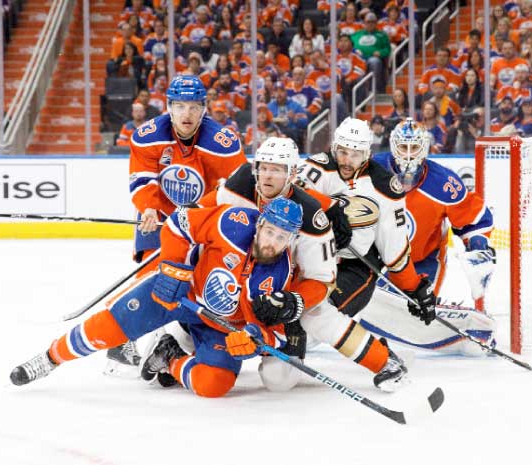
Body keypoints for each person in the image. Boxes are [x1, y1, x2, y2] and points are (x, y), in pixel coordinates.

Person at [9, 199, 306, 399]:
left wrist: (253, 339)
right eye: (269, 232)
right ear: (260, 224)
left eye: (282, 237)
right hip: (179, 294)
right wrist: (174, 268)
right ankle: (50, 358)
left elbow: (275, 334)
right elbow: (180, 223)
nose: (272, 242)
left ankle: (171, 357)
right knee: (110, 327)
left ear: (291, 240)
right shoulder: (233, 220)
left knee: (214, 385)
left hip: (216, 324)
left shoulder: (282, 273)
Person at [194, 137, 409, 391]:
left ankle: (384, 361)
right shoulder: (242, 182)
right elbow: (203, 213)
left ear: (292, 174)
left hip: (279, 289)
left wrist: (293, 302)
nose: (267, 177)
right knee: (194, 286)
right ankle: (175, 343)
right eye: (263, 167)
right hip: (239, 276)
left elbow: (321, 281)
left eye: (276, 170)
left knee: (282, 376)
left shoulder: (310, 218)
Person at [105, 75, 247, 373]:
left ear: (204, 109)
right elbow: (142, 178)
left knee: (193, 285)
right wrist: (147, 208)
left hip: (202, 221)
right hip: (159, 216)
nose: (186, 114)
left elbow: (238, 189)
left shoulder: (222, 142)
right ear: (168, 106)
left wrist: (200, 213)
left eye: (194, 107)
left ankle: (181, 343)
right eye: (179, 106)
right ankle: (119, 338)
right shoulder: (148, 136)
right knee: (149, 277)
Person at [368, 118, 497, 354]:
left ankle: (468, 332)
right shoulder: (372, 170)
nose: (408, 155)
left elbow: (474, 219)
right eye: (403, 147)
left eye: (414, 148)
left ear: (425, 148)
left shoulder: (443, 183)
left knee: (416, 313)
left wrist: (478, 245)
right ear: (393, 146)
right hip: (376, 259)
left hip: (423, 260)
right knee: (366, 302)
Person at [296, 117, 437, 327]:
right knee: (289, 306)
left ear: (367, 154)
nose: (347, 161)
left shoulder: (386, 188)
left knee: (315, 316)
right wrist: (329, 209)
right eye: (342, 152)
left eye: (355, 154)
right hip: (311, 258)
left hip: (355, 266)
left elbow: (394, 252)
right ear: (334, 147)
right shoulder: (317, 167)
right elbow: (289, 194)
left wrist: (414, 287)